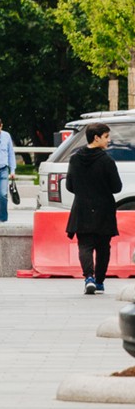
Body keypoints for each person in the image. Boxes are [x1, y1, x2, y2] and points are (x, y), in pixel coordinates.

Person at [66, 121, 123, 295]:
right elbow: (116, 187)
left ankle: (88, 277)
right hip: (103, 209)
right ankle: (99, 281)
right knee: (103, 246)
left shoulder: (75, 158)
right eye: (106, 137)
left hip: (82, 207)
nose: (109, 140)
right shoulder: (106, 161)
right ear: (96, 138)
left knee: (84, 245)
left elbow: (69, 185)